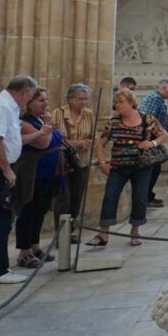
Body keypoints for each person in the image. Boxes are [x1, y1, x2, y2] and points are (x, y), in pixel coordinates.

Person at [88, 89, 168, 247]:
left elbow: (164, 135)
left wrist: (152, 143)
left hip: (141, 166)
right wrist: (103, 162)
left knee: (139, 198)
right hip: (118, 167)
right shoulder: (114, 122)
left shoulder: (147, 119)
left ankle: (135, 231)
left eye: (121, 102)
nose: (118, 105)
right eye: (116, 102)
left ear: (131, 103)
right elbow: (100, 143)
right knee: (110, 197)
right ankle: (103, 234)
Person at [0, 76, 43, 284]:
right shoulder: (1, 106)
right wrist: (7, 171)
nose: (30, 99)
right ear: (26, 91)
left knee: (1, 219)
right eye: (31, 95)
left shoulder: (8, 107)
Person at [15, 89, 64, 268]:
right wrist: (49, 124)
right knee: (28, 211)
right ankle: (24, 252)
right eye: (40, 100)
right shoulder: (24, 122)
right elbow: (43, 142)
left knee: (40, 211)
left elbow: (57, 138)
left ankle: (35, 246)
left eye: (46, 99)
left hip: (48, 174)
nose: (45, 103)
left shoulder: (40, 121)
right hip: (32, 173)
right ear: (29, 103)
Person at [51, 83, 94, 241]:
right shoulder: (58, 113)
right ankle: (61, 233)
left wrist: (86, 143)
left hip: (81, 161)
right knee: (63, 197)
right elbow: (53, 137)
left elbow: (92, 135)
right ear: (70, 99)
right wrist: (74, 144)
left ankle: (71, 229)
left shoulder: (88, 114)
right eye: (80, 99)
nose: (84, 102)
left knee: (76, 196)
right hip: (62, 162)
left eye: (86, 99)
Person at [138, 79, 168, 208]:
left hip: (155, 138)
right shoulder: (154, 98)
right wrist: (151, 140)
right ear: (163, 88)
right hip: (151, 139)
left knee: (155, 167)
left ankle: (148, 195)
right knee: (152, 168)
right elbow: (147, 118)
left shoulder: (157, 98)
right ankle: (146, 197)